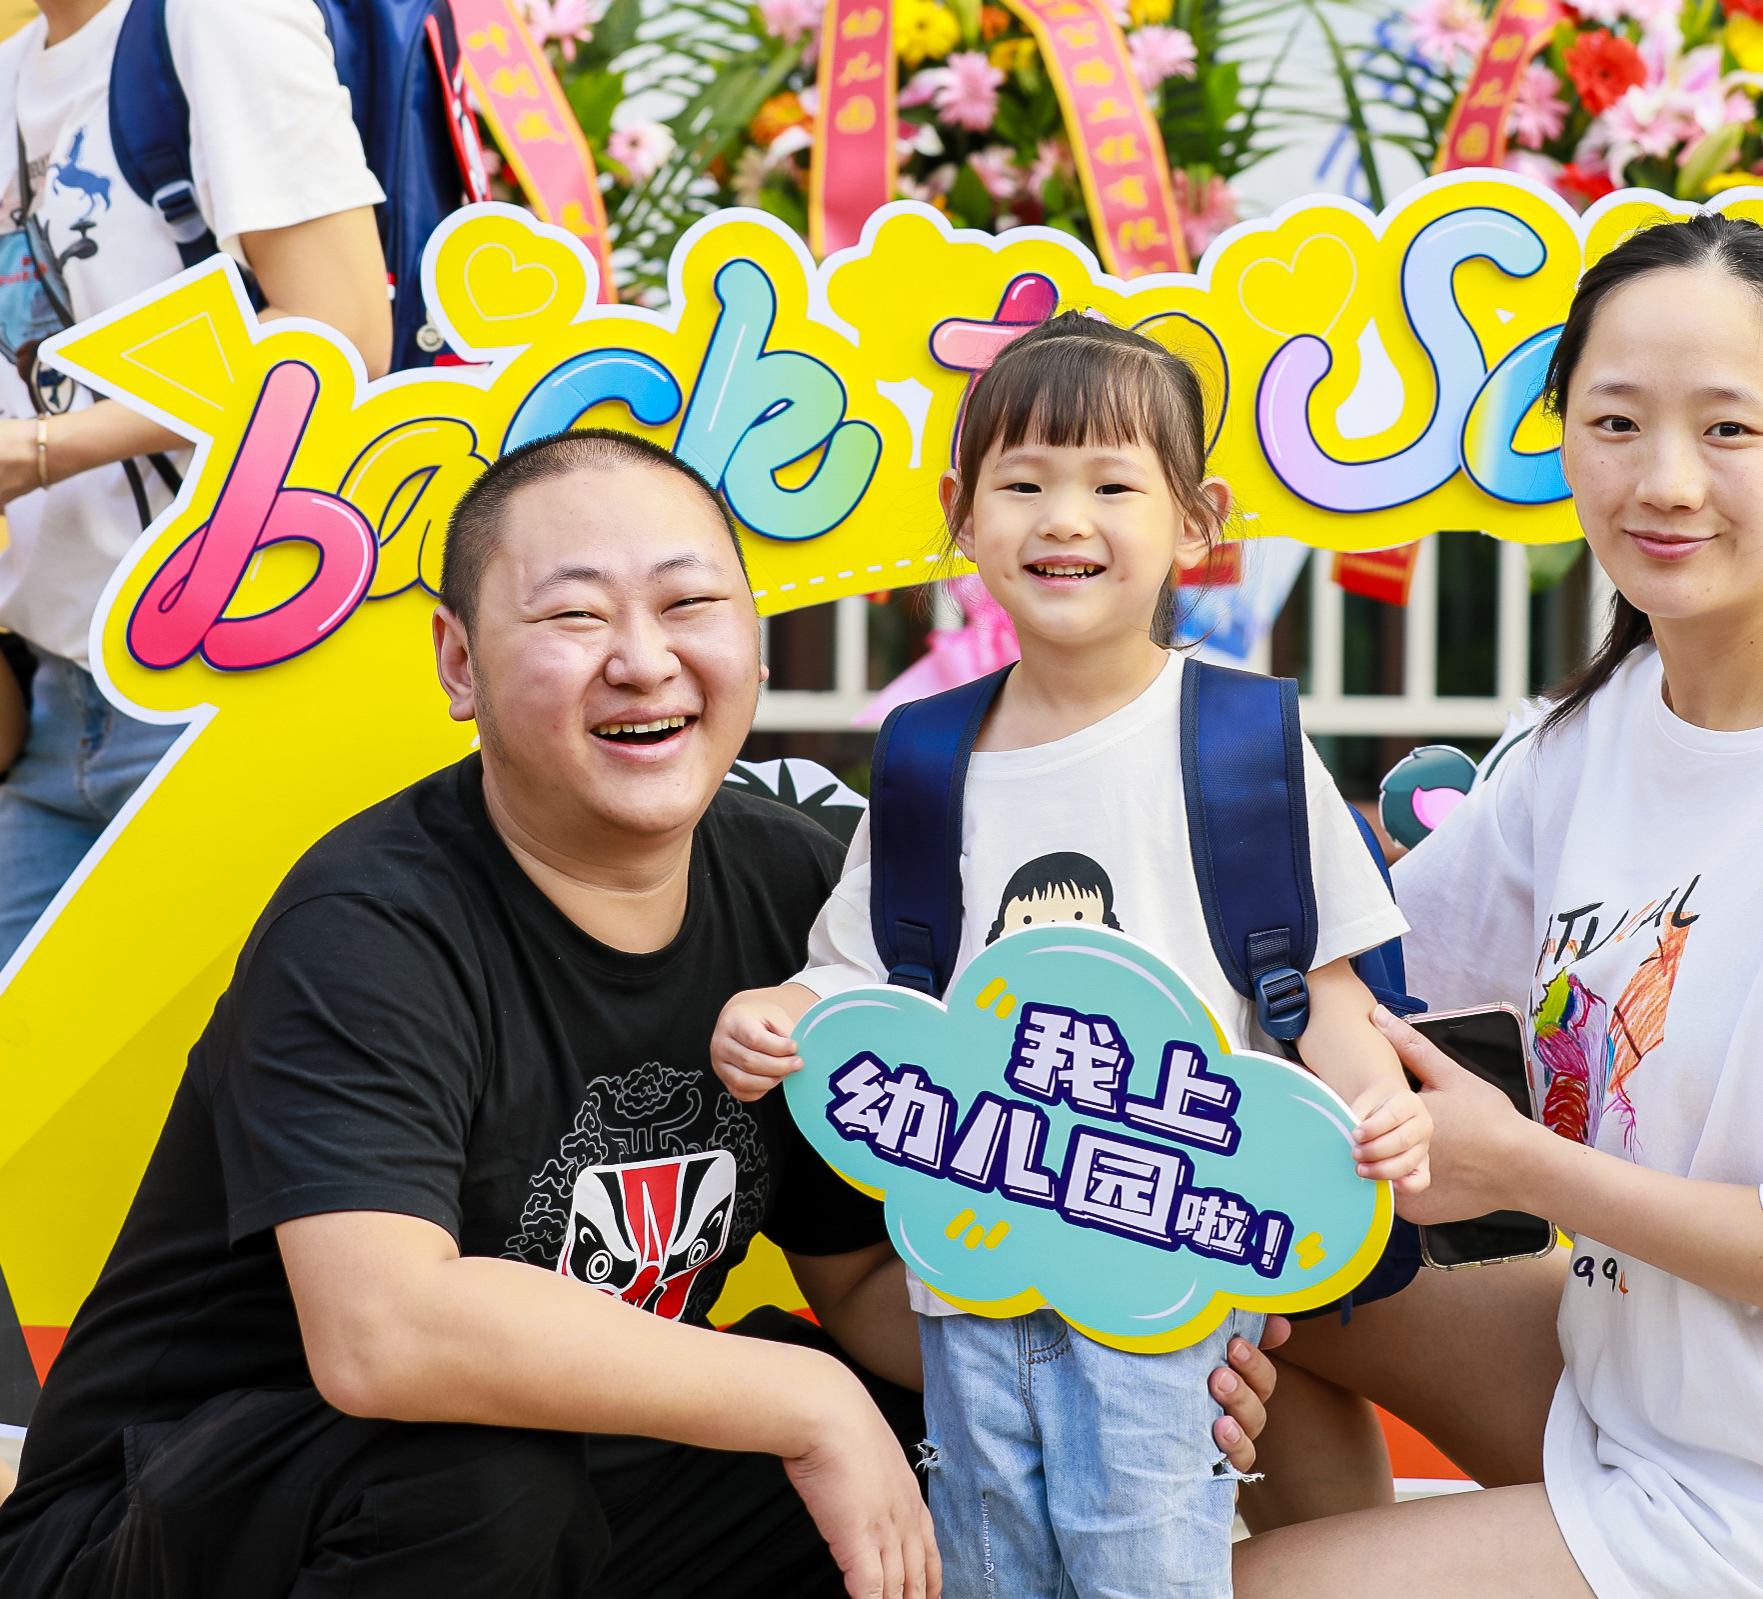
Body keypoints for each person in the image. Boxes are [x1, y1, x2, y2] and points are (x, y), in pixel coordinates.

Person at [0, 430, 1281, 1599]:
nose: (643, 659)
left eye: (688, 604)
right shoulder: (370, 920)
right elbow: (382, 1337)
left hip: (577, 1493)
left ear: (755, 644)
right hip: (175, 1520)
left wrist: (1111, 1351)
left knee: (930, 1429)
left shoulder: (803, 895)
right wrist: (804, 1398)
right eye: (573, 614)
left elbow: (859, 1281)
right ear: (458, 662)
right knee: (484, 1485)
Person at [1235, 214, 1763, 1597]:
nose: (1664, 481)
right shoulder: (1599, 726)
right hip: (1641, 1388)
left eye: (1727, 429)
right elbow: (1375, 969)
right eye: (1614, 423)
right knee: (1246, 1253)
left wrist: (1523, 1167)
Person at [710, 315, 1433, 1599]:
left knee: (1141, 1554)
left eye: (1111, 485)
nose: (1064, 519)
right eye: (1024, 483)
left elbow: (1316, 991)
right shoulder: (926, 757)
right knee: (986, 1550)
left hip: (1165, 1249)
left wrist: (1374, 1115)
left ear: (1196, 522)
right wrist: (783, 1009)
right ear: (959, 512)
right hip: (970, 1244)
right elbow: (862, 975)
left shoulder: (1241, 743)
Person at [0, 0, 392, 965]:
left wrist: (39, 450)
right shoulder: (14, 71)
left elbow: (340, 332)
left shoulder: (216, 19)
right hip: (59, 696)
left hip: (228, 675)